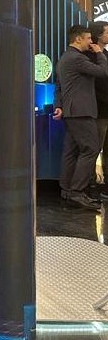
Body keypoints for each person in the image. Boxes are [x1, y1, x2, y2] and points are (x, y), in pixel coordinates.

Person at [54, 24, 107, 210]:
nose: (91, 42)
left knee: (71, 151)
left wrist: (59, 106)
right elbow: (103, 72)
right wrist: (100, 53)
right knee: (91, 149)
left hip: (72, 112)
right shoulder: (77, 58)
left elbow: (59, 86)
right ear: (78, 39)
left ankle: (67, 190)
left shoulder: (65, 57)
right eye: (88, 38)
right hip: (81, 112)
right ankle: (77, 192)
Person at [88, 23, 108, 199]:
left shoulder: (105, 55)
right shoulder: (91, 57)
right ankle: (90, 184)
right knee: (94, 148)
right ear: (99, 35)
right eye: (107, 32)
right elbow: (99, 81)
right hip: (99, 110)